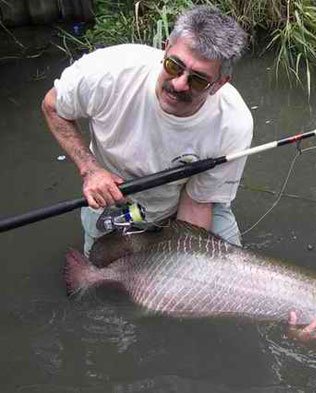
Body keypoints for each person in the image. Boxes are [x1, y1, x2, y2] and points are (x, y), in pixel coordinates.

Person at [41, 5, 253, 254]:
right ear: (165, 48)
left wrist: (180, 260)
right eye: (174, 66)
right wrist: (90, 170)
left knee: (223, 273)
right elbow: (52, 106)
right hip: (114, 199)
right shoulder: (108, 71)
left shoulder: (233, 123)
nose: (179, 84)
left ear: (218, 84)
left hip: (186, 200)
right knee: (94, 278)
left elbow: (197, 203)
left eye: (198, 79)